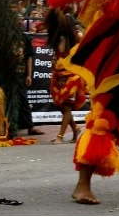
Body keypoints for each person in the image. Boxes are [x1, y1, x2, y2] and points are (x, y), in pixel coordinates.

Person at [45, 8, 85, 144]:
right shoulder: (58, 38)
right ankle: (75, 128)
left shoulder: (77, 36)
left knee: (67, 106)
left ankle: (60, 136)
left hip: (72, 75)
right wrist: (54, 61)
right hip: (59, 75)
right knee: (60, 105)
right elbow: (56, 55)